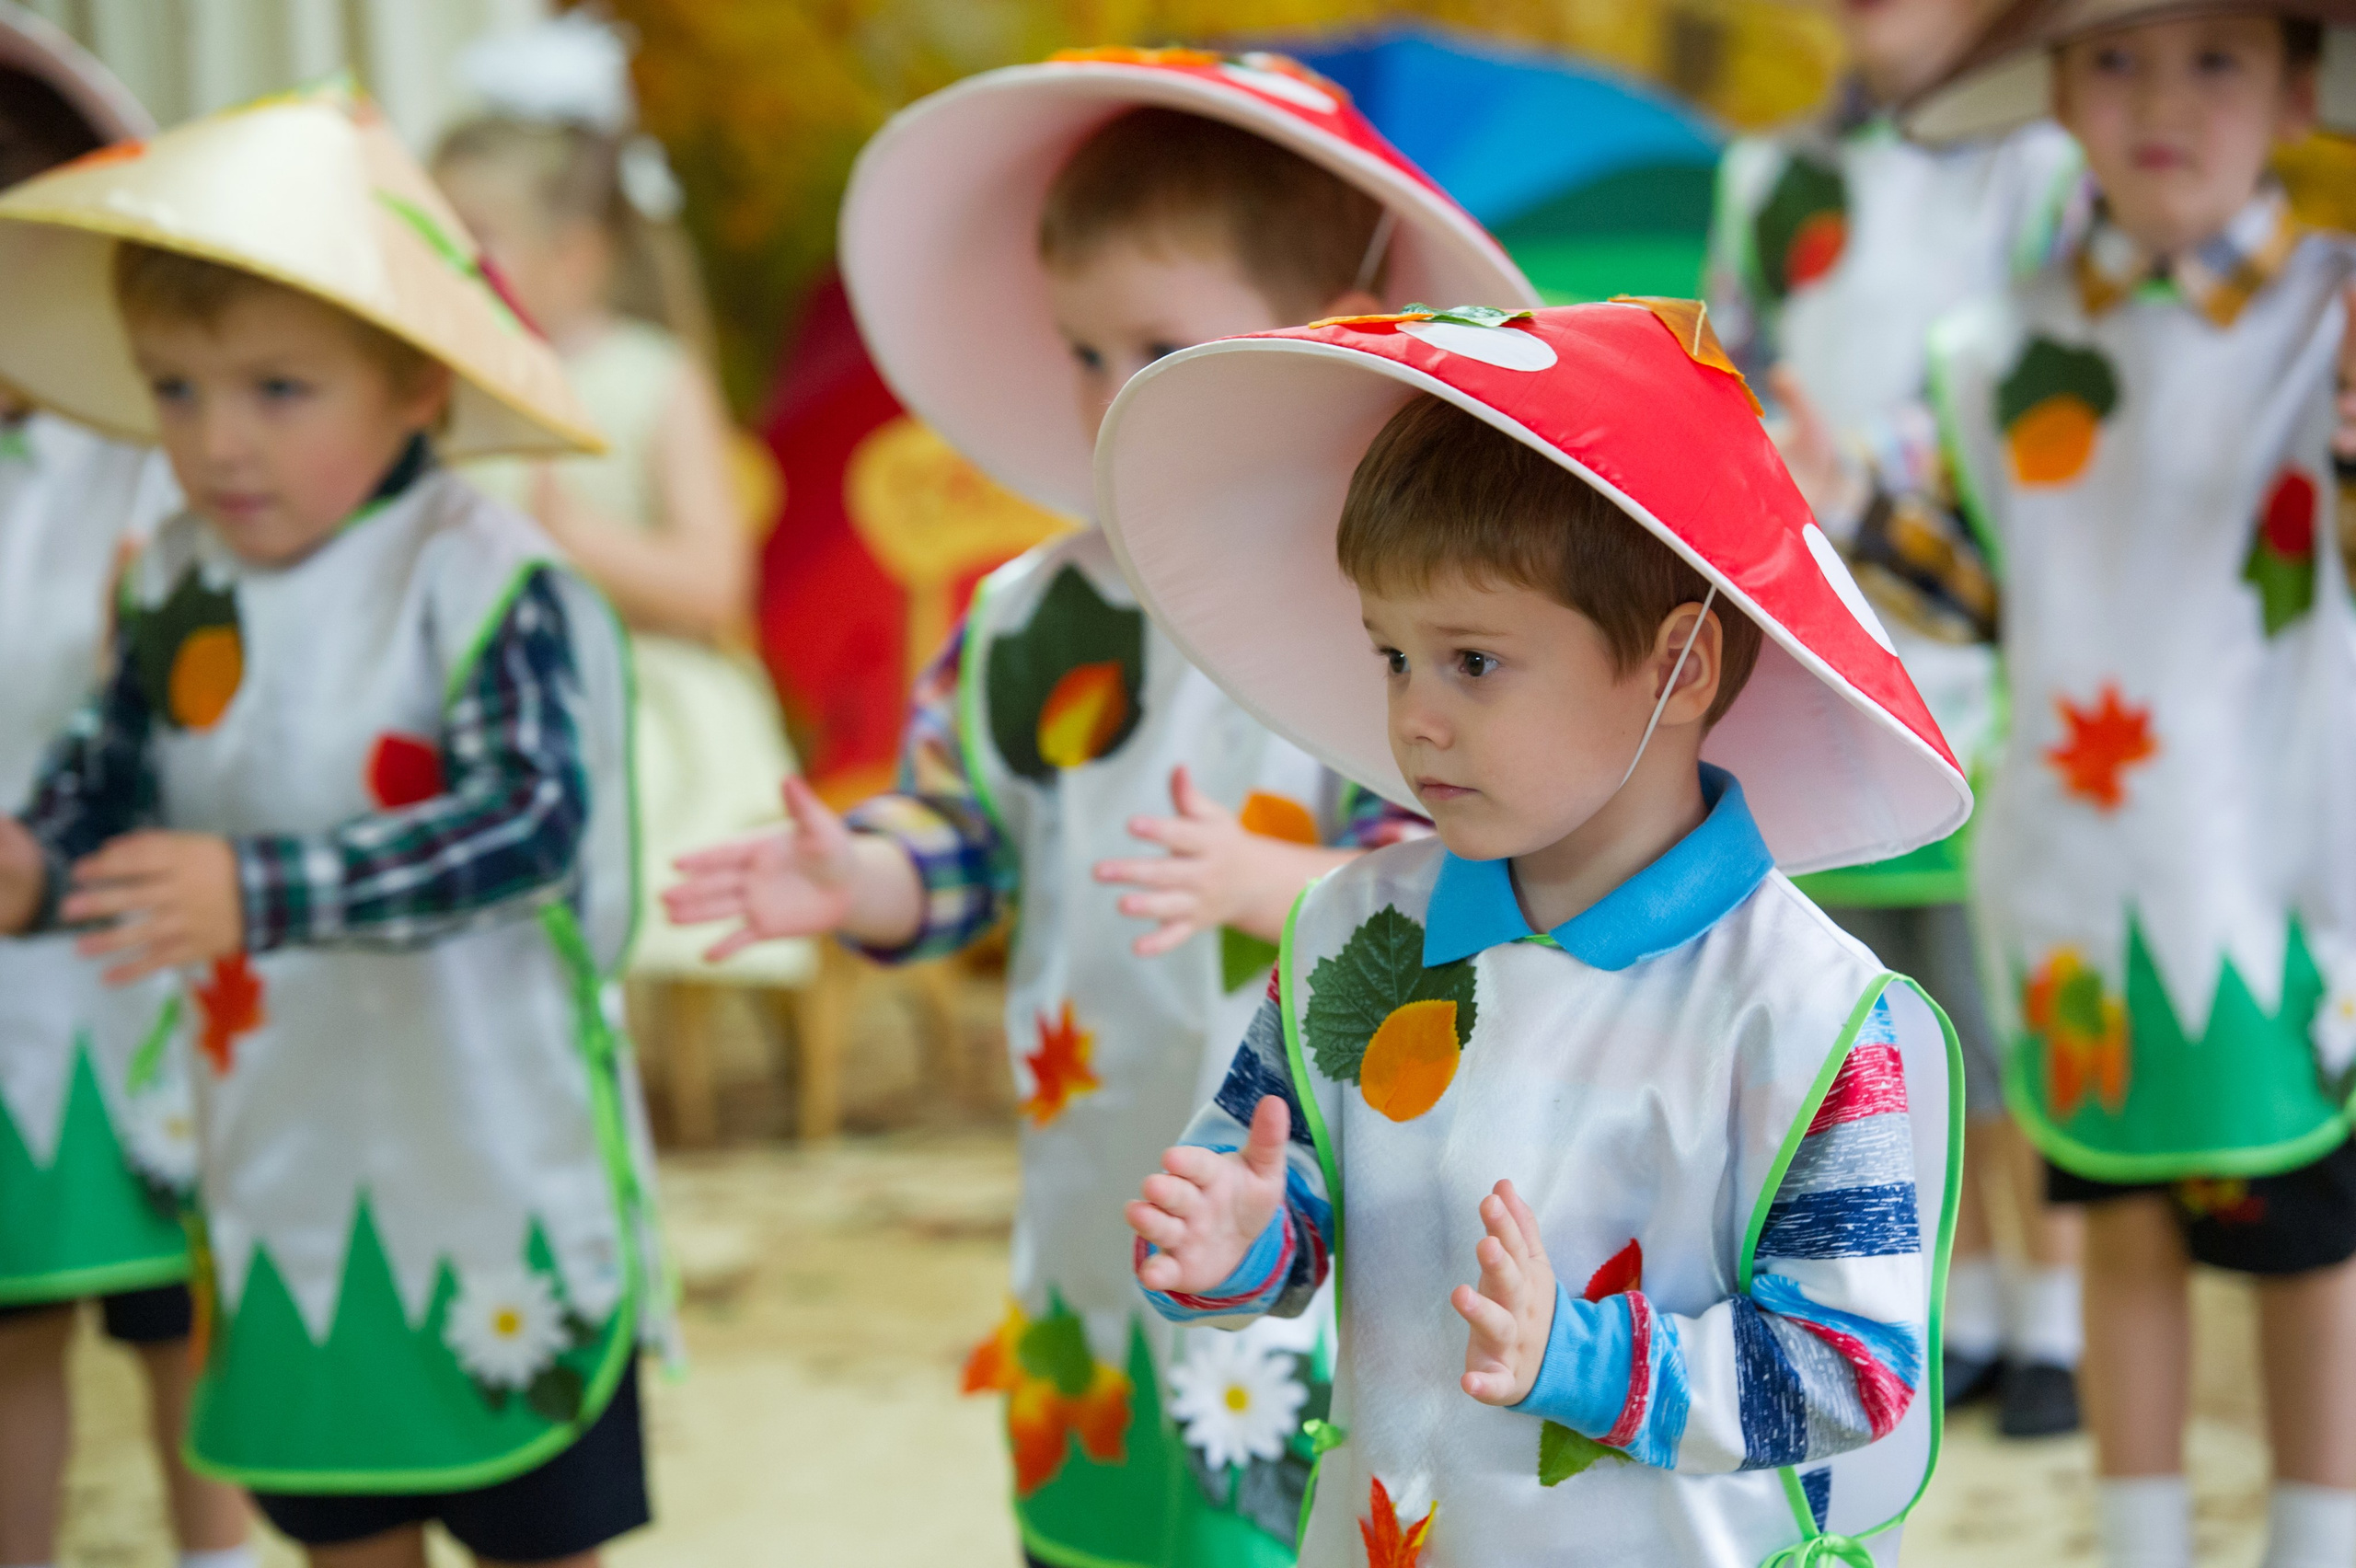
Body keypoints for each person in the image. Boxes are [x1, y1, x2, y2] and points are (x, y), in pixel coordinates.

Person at [664, 48, 1536, 1568]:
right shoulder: (1032, 613)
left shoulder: (1393, 613)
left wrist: (1294, 877)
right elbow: (971, 838)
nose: (1101, 391)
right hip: (1101, 1179)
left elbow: (1508, 874)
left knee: (1300, 1515)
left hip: (1339, 1213)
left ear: (1316, 340)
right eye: (1077, 346)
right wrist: (867, 879)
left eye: (1157, 341)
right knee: (1107, 1517)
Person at [1100, 298, 1967, 1565]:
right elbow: (1277, 1211)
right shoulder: (1354, 931)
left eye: (1474, 662)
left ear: (1683, 667)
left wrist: (1587, 1359)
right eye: (1392, 656)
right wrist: (1240, 1241)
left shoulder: (1801, 1007)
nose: (1416, 720)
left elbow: (1855, 1367)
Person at [0, 82, 663, 1568]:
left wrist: (264, 885)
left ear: (419, 382)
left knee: (528, 1516)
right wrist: (37, 857)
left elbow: (530, 828)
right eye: (173, 389)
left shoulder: (484, 574)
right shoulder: (179, 572)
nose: (216, 442)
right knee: (339, 1496)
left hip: (494, 1150)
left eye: (276, 390)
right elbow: (112, 769)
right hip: (283, 1140)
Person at [1905, 6, 2356, 1564]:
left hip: (2289, 868)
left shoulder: (2335, 319)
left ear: (2301, 85)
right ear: (2054, 87)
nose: (2162, 96)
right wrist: (1831, 501)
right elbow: (1945, 591)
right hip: (2079, 877)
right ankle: (2140, 1530)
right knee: (2121, 1219)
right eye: (2115, 54)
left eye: (2216, 56)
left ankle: (2319, 1533)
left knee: (2318, 1238)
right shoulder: (1988, 348)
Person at [1708, 0, 2088, 1437]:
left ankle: (2055, 1316)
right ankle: (1963, 1308)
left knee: (2004, 990)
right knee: (1882, 991)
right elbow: (1730, 362)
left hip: (1980, 604)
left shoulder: (2043, 164)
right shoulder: (1769, 182)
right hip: (1818, 622)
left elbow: (2060, 361)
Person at [0, 13, 251, 1568]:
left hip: (142, 935)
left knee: (180, 1295)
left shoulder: (148, 457)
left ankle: (217, 1550)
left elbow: (200, 679)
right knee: (14, 1309)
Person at [433, 13, 803, 987]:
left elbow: (714, 585)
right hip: (466, 678)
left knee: (594, 771)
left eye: (478, 239)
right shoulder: (434, 393)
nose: (452, 264)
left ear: (577, 253)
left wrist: (577, 539)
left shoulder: (648, 377)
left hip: (635, 685)